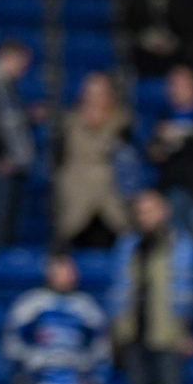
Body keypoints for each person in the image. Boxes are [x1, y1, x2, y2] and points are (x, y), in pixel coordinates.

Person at [108, 189, 193, 384]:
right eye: (140, 212)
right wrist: (116, 326)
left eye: (150, 211)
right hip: (132, 332)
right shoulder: (127, 245)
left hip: (167, 332)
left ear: (164, 211)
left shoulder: (181, 245)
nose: (145, 217)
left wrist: (185, 329)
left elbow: (191, 291)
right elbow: (118, 288)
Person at [145, 64, 193, 301]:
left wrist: (179, 139)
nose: (175, 89)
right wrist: (161, 146)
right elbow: (152, 154)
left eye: (180, 84)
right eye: (172, 84)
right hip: (171, 195)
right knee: (173, 256)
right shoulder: (163, 116)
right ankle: (175, 306)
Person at [3, 253, 107, 384]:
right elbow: (11, 340)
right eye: (60, 271)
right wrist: (29, 358)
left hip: (75, 374)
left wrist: (86, 363)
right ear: (49, 274)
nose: (65, 276)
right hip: (38, 375)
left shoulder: (87, 307)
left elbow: (101, 345)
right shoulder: (31, 303)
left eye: (69, 272)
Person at [50, 71, 134, 250]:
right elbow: (59, 157)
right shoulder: (69, 121)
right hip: (76, 187)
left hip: (111, 190)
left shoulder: (122, 121)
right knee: (71, 233)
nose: (95, 97)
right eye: (90, 92)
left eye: (100, 92)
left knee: (118, 233)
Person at [0, 39, 36, 259]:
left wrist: (29, 117)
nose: (23, 71)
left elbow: (7, 122)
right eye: (21, 64)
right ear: (8, 57)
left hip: (13, 166)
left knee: (6, 229)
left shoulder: (6, 86)